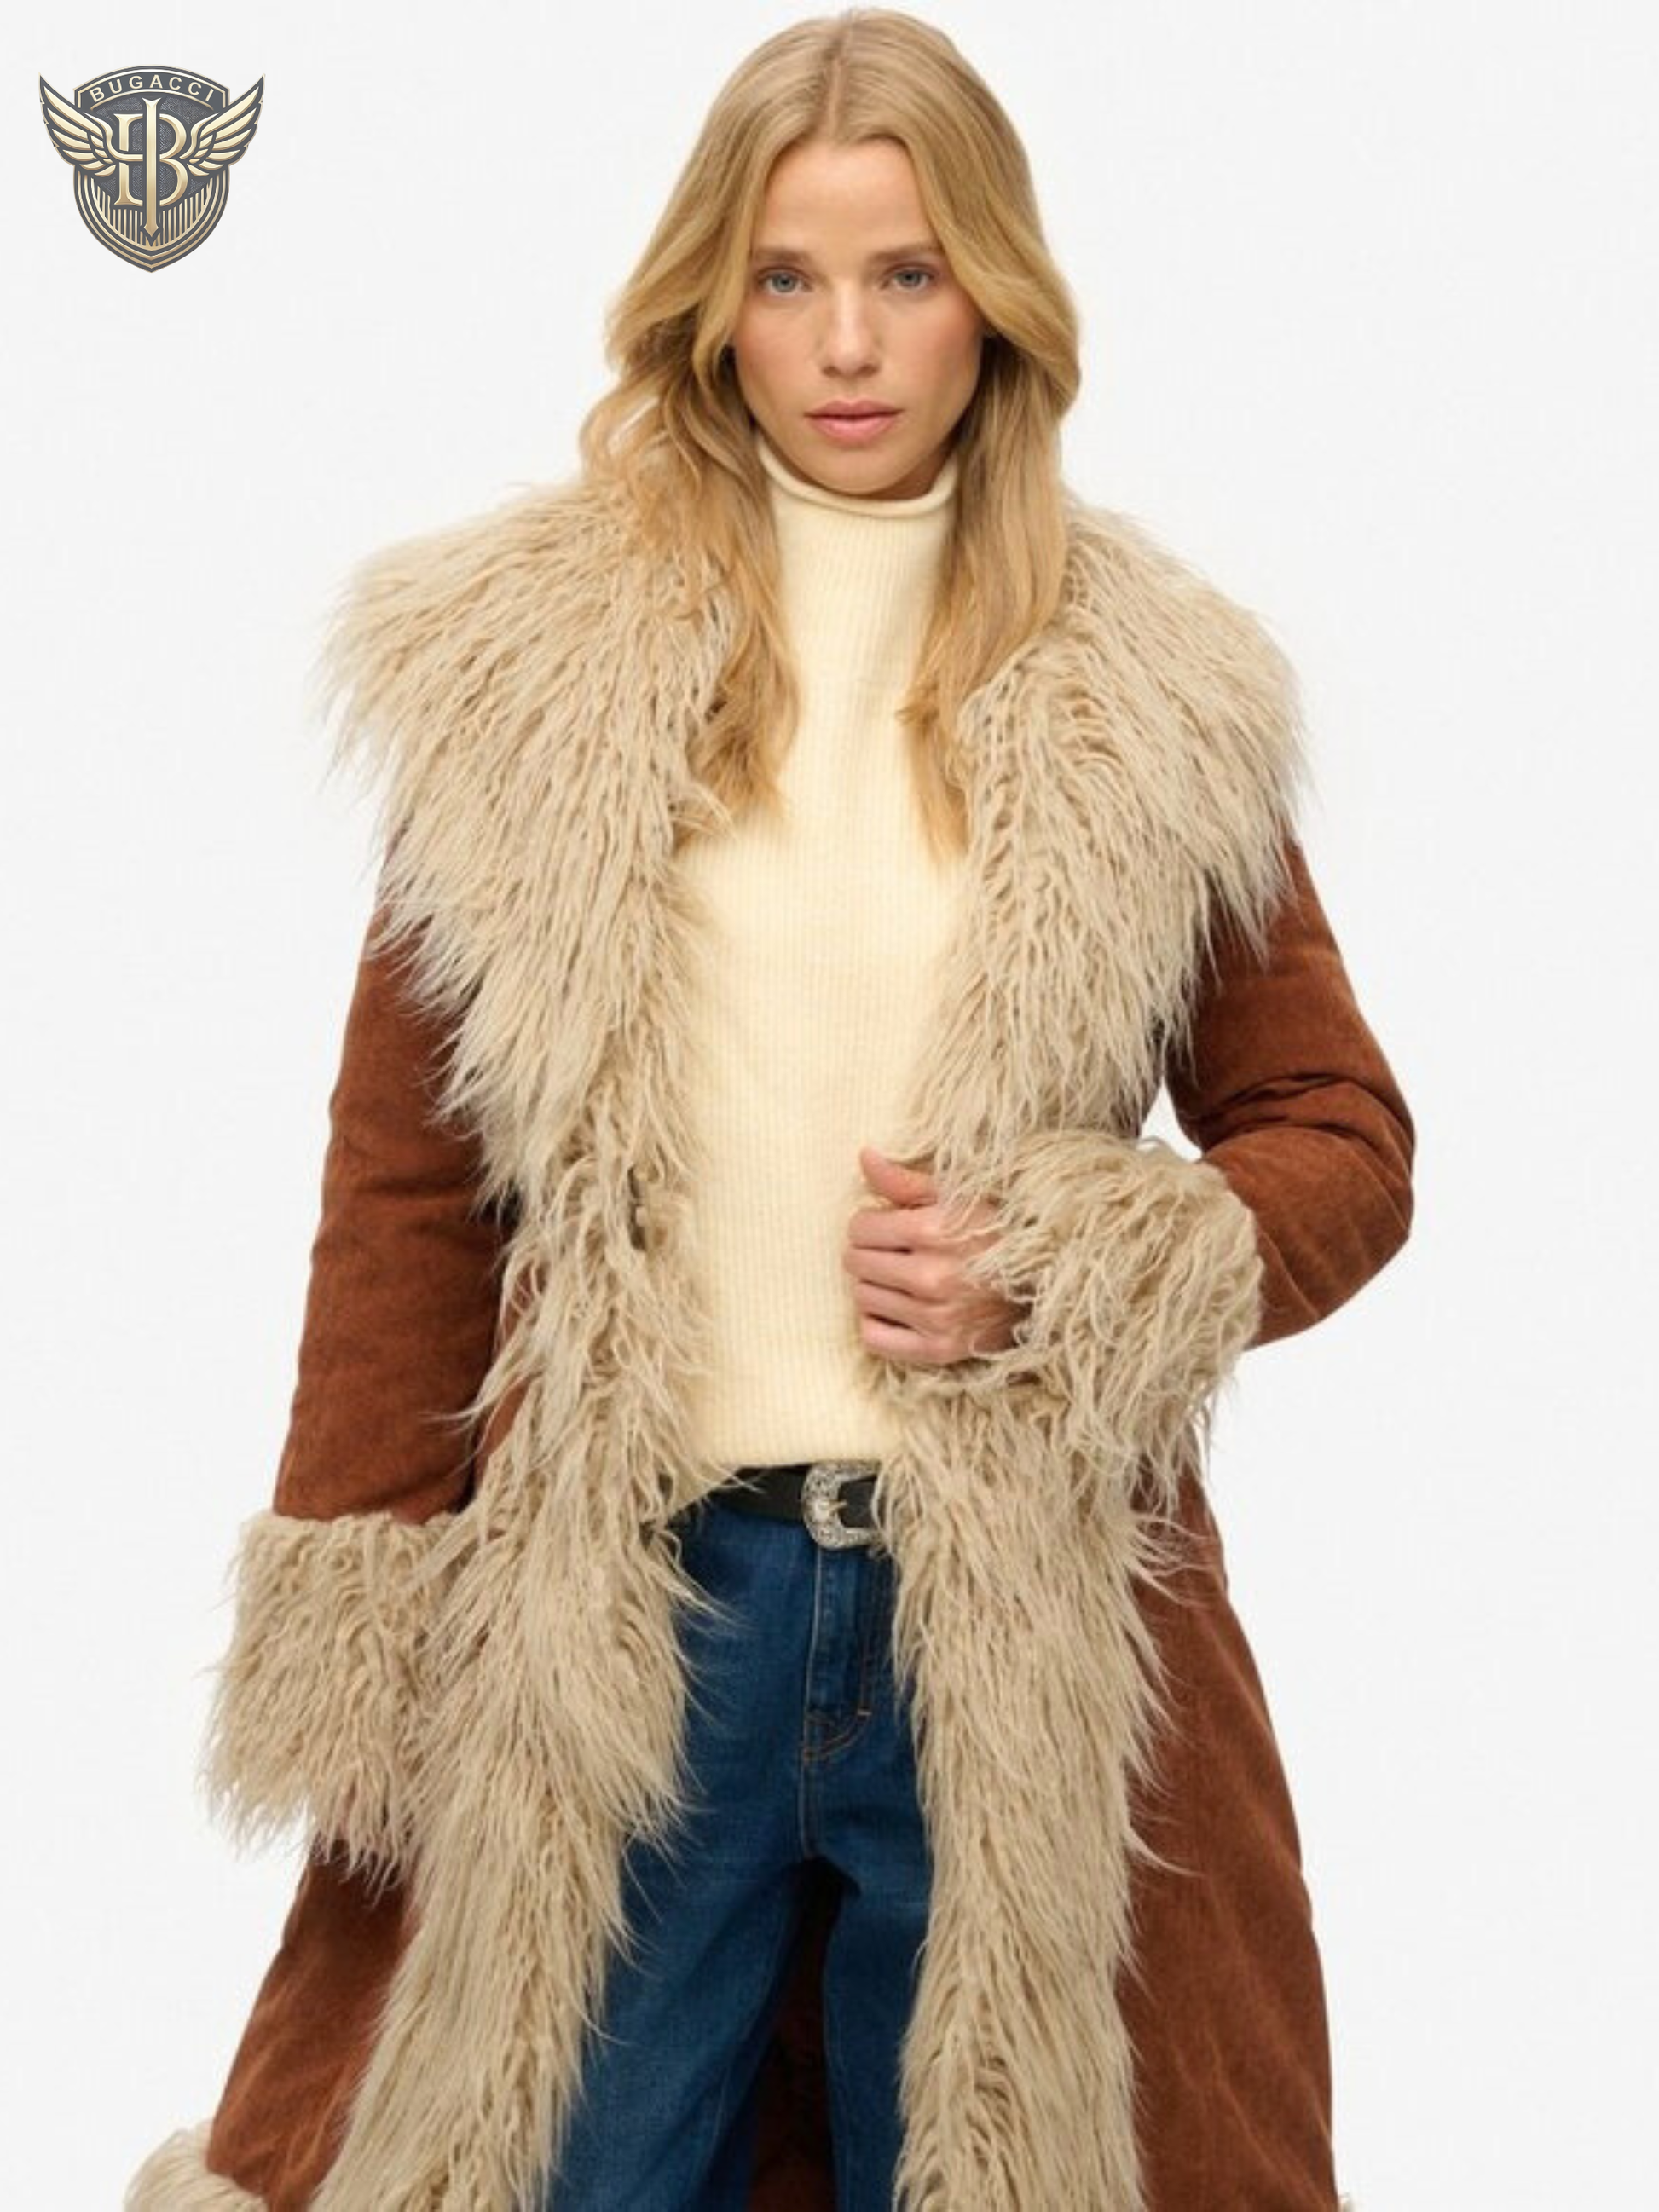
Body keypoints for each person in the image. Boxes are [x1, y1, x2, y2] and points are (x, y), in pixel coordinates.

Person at [124, 10, 1413, 2209]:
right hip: (633, 1626)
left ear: (996, 298)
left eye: (908, 273)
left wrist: (1070, 1256)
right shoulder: (525, 670)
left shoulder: (1152, 695)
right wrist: (364, 1606)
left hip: (1010, 1635)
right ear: (709, 304)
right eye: (789, 276)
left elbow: (1336, 1135)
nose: (849, 342)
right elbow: (409, 1189)